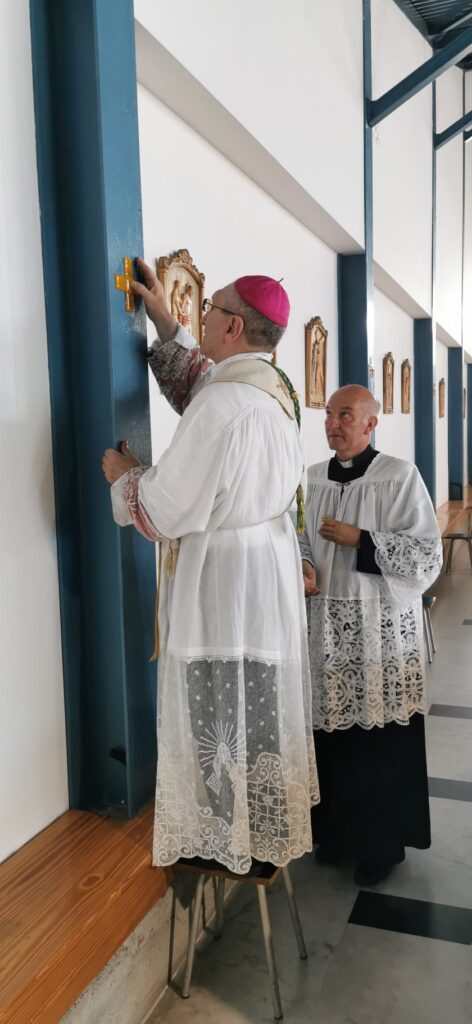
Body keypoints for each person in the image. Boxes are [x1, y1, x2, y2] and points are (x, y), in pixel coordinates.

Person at [102, 259, 319, 875]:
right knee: (252, 703)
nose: (200, 317)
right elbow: (202, 380)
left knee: (218, 705)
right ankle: (259, 824)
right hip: (265, 568)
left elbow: (163, 508)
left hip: (224, 576)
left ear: (231, 326)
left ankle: (225, 834)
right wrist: (166, 326)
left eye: (208, 308)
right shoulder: (273, 388)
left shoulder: (224, 404)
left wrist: (127, 479)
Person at [299, 384, 442, 885]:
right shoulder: (312, 478)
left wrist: (360, 539)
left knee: (378, 740)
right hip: (326, 627)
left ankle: (381, 847)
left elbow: (426, 555)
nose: (333, 424)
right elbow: (297, 534)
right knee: (333, 737)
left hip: (380, 632)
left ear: (370, 423)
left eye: (346, 415)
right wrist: (303, 565)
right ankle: (337, 834)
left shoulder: (398, 476)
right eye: (328, 414)